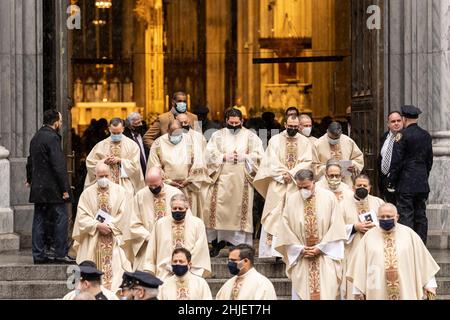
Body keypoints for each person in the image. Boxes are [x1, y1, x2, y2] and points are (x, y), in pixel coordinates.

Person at [275, 169, 347, 300]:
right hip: (302, 257)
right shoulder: (291, 200)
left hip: (325, 256)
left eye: (306, 187)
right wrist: (300, 249)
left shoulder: (329, 197)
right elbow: (285, 228)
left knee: (327, 294)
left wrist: (320, 248)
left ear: (314, 182)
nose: (303, 190)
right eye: (299, 187)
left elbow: (337, 227)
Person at [346, 203, 439, 300]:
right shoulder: (368, 237)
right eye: (382, 216)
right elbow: (360, 265)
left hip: (406, 288)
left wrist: (430, 284)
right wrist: (358, 290)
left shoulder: (409, 234)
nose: (385, 219)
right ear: (377, 217)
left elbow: (423, 261)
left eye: (389, 216)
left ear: (397, 217)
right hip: (376, 289)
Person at [205, 108, 264, 256]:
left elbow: (260, 155)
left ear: (242, 121)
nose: (234, 126)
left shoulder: (251, 137)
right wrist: (223, 157)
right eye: (231, 123)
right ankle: (217, 242)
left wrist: (245, 157)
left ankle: (239, 244)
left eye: (237, 123)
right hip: (221, 180)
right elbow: (209, 154)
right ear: (226, 121)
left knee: (239, 213)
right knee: (218, 212)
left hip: (242, 180)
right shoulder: (217, 136)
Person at [254, 115, 313, 258]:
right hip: (278, 184)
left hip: (295, 185)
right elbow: (270, 161)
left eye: (295, 127)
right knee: (274, 215)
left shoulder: (305, 142)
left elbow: (307, 161)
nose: (292, 129)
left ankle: (292, 251)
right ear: (285, 124)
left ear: (298, 126)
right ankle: (271, 251)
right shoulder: (275, 140)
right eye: (290, 126)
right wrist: (283, 175)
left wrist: (292, 174)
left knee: (294, 216)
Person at [72, 162, 132, 293]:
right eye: (100, 176)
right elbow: (82, 217)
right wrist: (97, 225)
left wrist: (109, 226)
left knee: (117, 272)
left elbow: (124, 214)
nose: (103, 179)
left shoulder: (120, 191)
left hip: (114, 238)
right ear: (95, 175)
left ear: (110, 174)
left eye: (106, 175)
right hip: (93, 240)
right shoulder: (86, 194)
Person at [26, 109, 74, 264]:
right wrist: (65, 189)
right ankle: (60, 253)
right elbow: (58, 165)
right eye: (60, 121)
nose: (60, 124)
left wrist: (29, 179)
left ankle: (38, 254)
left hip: (39, 186)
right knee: (61, 217)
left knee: (39, 219)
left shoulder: (36, 137)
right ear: (55, 123)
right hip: (53, 187)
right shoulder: (52, 138)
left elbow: (30, 160)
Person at [387, 105, 433, 243]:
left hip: (406, 183)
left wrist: (391, 181)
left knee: (406, 215)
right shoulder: (426, 135)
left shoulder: (402, 135)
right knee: (421, 215)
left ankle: (408, 245)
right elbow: (429, 160)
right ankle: (421, 246)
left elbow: (397, 161)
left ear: (404, 118)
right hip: (422, 182)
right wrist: (424, 176)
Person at [148, 118, 210, 219]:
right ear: (167, 131)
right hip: (167, 187)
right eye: (173, 134)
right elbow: (154, 165)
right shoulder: (158, 143)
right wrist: (167, 181)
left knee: (189, 217)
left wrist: (188, 180)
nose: (176, 137)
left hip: (189, 187)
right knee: (169, 216)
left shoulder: (191, 141)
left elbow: (199, 162)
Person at [143, 194, 211, 280]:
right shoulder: (160, 224)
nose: (177, 210)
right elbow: (152, 247)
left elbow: (200, 248)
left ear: (187, 208)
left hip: (190, 271)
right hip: (164, 272)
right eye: (174, 208)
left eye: (180, 208)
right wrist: (151, 268)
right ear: (170, 208)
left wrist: (184, 263)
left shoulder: (197, 223)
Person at [127, 166, 183, 270]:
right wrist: (150, 237)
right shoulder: (140, 196)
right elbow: (134, 224)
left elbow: (185, 219)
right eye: (150, 186)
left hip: (171, 245)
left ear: (162, 178)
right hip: (148, 246)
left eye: (156, 185)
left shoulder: (176, 193)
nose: (153, 188)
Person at [339, 174, 384, 299]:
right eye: (359, 185)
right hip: (352, 253)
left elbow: (386, 223)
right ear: (353, 188)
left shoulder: (378, 202)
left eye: (365, 185)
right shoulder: (342, 205)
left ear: (370, 188)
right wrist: (354, 227)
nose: (362, 188)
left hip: (374, 255)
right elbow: (335, 229)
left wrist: (376, 227)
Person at [85, 118, 145, 195]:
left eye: (118, 133)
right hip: (105, 182)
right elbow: (90, 163)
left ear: (123, 129)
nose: (116, 135)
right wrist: (104, 161)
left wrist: (120, 161)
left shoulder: (132, 145)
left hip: (125, 184)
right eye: (114, 133)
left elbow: (136, 167)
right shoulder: (101, 145)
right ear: (109, 129)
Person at [313, 121, 364, 186]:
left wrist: (353, 165)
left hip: (346, 181)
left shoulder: (348, 141)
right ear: (327, 131)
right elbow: (314, 166)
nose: (334, 140)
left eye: (337, 138)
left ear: (341, 133)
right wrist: (329, 168)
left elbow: (358, 159)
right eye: (331, 138)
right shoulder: (318, 144)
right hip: (326, 181)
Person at [378, 111, 403, 205]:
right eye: (393, 121)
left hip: (400, 182)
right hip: (385, 182)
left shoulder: (406, 137)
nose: (396, 123)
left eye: (398, 121)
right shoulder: (384, 137)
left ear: (403, 122)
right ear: (388, 124)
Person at [123, 112, 149, 177]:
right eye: (136, 123)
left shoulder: (144, 133)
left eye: (140, 122)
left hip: (147, 168)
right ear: (130, 125)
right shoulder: (125, 137)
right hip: (134, 170)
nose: (140, 125)